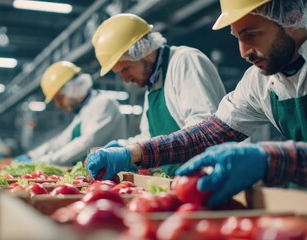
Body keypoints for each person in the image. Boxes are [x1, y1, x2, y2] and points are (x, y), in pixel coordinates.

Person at [86, 0, 307, 207]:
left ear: (292, 17)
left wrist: (269, 158)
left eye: (251, 34)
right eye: (238, 37)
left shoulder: (184, 62)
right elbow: (207, 134)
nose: (243, 52)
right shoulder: (259, 81)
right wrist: (133, 152)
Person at [91, 14, 226, 174]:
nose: (126, 80)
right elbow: (148, 136)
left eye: (126, 69)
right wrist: (123, 147)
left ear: (144, 50)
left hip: (211, 177)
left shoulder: (184, 62)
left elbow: (204, 128)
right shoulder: (153, 84)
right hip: (181, 179)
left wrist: (132, 152)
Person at [15, 61, 127, 166]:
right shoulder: (84, 110)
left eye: (59, 98)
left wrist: (40, 162)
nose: (59, 105)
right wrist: (31, 155)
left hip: (111, 177)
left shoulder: (104, 103)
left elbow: (85, 143)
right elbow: (59, 143)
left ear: (72, 88)